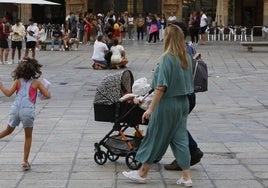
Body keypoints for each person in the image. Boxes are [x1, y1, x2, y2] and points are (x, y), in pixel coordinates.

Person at [122, 24, 194, 187]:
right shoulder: (186, 57)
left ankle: (142, 173)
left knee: (154, 137)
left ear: (168, 38)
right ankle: (187, 177)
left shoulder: (166, 59)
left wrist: (150, 108)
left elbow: (161, 87)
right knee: (180, 139)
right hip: (183, 103)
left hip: (167, 104)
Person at [164, 21, 203, 171]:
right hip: (188, 93)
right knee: (176, 126)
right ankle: (189, 154)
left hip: (182, 94)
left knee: (175, 127)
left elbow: (177, 73)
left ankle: (191, 152)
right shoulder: (188, 48)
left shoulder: (181, 50)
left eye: (168, 32)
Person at [0, 57, 51, 170]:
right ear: (34, 71)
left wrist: (1, 86)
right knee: (28, 136)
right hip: (28, 110)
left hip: (15, 109)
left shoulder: (18, 81)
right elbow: (47, 95)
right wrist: (45, 88)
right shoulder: (36, 83)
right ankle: (25, 161)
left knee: (8, 130)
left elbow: (8, 94)